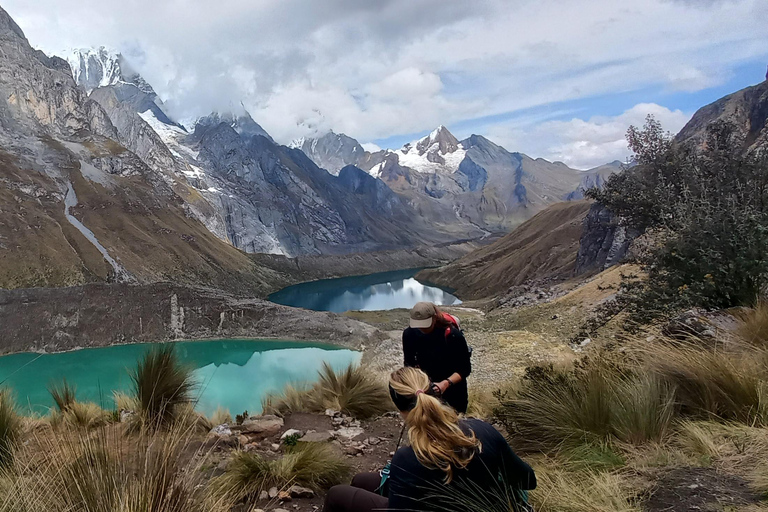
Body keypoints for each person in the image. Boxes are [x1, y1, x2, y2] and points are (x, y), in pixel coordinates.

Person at [323, 367, 536, 512]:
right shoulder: (483, 431)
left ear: (399, 407)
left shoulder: (408, 458)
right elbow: (528, 480)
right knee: (361, 480)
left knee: (336, 495)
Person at [403, 301, 471, 413]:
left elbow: (464, 369)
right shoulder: (409, 334)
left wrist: (444, 384)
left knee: (455, 422)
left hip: (454, 390)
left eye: (425, 324)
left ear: (435, 318)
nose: (421, 328)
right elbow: (409, 364)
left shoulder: (452, 336)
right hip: (425, 390)